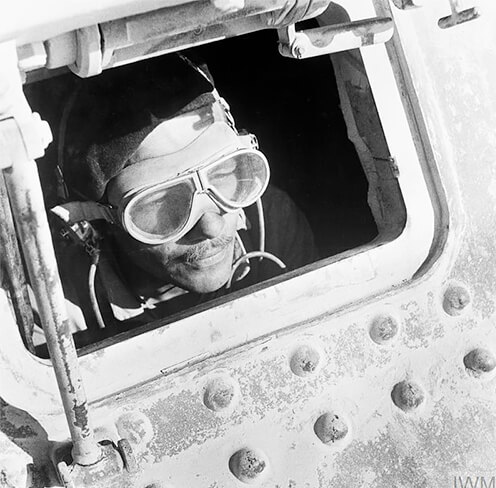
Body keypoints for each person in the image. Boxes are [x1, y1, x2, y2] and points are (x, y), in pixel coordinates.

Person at [44, 54, 316, 345]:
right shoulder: (53, 306)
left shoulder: (272, 222)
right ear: (101, 222)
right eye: (161, 201)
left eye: (222, 175)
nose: (211, 226)